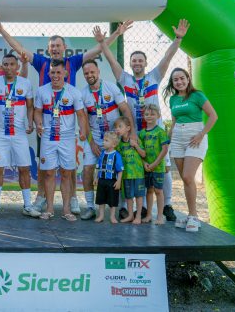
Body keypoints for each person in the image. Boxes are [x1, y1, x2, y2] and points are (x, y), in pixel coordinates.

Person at [0, 22, 120, 213]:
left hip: (67, 123)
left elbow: (97, 50)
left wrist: (116, 34)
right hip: (46, 124)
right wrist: (1, 31)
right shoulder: (41, 62)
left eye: (58, 45)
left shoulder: (73, 62)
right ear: (48, 49)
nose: (55, 49)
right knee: (44, 165)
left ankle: (73, 199)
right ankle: (41, 197)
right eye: (52, 46)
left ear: (64, 48)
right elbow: (19, 48)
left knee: (69, 167)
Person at [100, 19, 190, 221]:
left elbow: (168, 56)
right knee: (130, 168)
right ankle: (127, 208)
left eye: (140, 60)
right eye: (134, 61)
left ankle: (167, 205)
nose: (137, 63)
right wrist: (103, 42)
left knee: (163, 168)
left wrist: (178, 39)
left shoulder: (154, 76)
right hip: (134, 133)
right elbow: (112, 61)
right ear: (130, 64)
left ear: (146, 63)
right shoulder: (125, 79)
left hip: (154, 132)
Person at [0, 53, 40, 219]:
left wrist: (30, 123)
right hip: (0, 132)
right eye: (5, 64)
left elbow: (30, 106)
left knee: (24, 168)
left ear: (17, 67)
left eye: (12, 64)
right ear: (2, 66)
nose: (8, 67)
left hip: (19, 132)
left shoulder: (25, 83)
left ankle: (28, 206)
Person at [79, 55, 135, 221]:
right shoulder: (83, 94)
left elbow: (125, 110)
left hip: (115, 136)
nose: (89, 75)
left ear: (98, 71)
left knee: (120, 170)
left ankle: (122, 207)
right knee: (88, 169)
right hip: (96, 137)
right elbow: (83, 120)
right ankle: (91, 207)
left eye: (92, 72)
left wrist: (131, 133)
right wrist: (92, 142)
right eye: (86, 73)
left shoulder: (111, 87)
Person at [164, 67, 218, 232]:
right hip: (178, 138)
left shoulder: (197, 95)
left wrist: (201, 134)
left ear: (188, 79)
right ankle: (190, 216)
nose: (179, 82)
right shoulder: (173, 100)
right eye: (175, 80)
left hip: (195, 137)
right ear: (172, 83)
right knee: (185, 179)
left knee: (188, 176)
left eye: (182, 78)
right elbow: (174, 122)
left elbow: (213, 116)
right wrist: (168, 139)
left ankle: (194, 216)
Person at [34, 60, 89, 221]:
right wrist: (38, 123)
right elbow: (37, 111)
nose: (55, 76)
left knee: (66, 173)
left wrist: (83, 131)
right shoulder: (42, 91)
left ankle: (66, 210)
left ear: (65, 73)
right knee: (49, 172)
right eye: (53, 72)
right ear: (48, 73)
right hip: (48, 137)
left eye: (59, 72)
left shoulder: (74, 92)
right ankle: (49, 208)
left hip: (67, 138)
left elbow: (81, 115)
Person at [139, 104, 170, 225]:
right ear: (143, 116)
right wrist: (145, 163)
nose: (149, 116)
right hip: (147, 167)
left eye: (152, 114)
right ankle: (148, 215)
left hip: (158, 167)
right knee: (149, 190)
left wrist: (155, 164)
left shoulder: (160, 132)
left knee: (158, 191)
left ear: (158, 116)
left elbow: (165, 150)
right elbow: (140, 151)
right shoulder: (142, 133)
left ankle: (160, 216)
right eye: (147, 114)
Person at [114, 116, 146, 225]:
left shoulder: (135, 140)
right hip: (126, 175)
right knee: (128, 196)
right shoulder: (118, 144)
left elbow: (143, 154)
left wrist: (136, 145)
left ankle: (138, 216)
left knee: (139, 196)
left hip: (138, 174)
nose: (117, 129)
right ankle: (130, 215)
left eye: (120, 126)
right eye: (116, 127)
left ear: (128, 128)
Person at [94, 131, 124, 224]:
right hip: (102, 180)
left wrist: (118, 181)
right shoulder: (102, 154)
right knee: (101, 199)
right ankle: (101, 216)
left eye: (106, 140)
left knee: (112, 200)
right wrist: (96, 178)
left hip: (112, 181)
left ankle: (112, 216)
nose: (103, 142)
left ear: (114, 144)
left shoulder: (116, 155)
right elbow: (98, 167)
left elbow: (120, 170)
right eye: (104, 140)